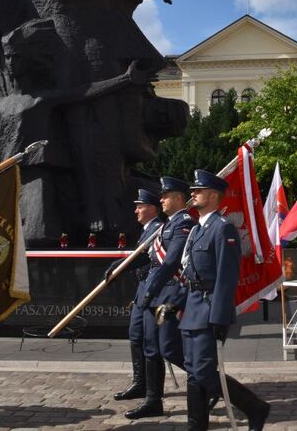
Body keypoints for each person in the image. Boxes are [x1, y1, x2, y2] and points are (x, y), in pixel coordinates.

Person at [179, 170, 269, 431]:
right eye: (193, 189)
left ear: (214, 195)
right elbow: (189, 272)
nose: (193, 193)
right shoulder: (197, 229)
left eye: (198, 190)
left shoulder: (223, 228)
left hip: (208, 308)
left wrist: (219, 316)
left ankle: (255, 408)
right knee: (194, 372)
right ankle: (196, 426)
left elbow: (227, 276)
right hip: (192, 307)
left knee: (204, 372)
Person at [128, 177, 195, 419]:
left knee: (169, 348)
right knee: (150, 348)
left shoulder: (184, 223)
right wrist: (119, 266)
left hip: (168, 296)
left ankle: (207, 381)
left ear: (178, 197)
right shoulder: (167, 224)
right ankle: (153, 400)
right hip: (156, 296)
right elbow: (150, 259)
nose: (161, 200)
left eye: (165, 196)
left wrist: (149, 291)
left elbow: (171, 262)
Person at [104, 189, 165, 401]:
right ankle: (140, 383)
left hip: (151, 290)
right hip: (142, 289)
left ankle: (152, 389)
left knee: (151, 342)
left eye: (140, 206)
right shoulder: (147, 229)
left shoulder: (158, 229)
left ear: (152, 208)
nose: (136, 210)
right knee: (136, 336)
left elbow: (145, 258)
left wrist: (119, 266)